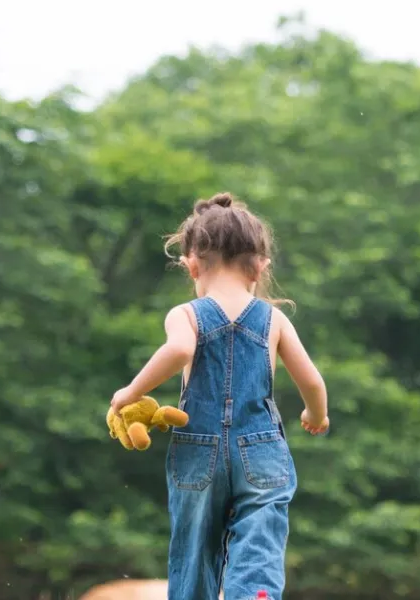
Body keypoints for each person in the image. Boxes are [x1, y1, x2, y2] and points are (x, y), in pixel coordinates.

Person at [109, 192, 329, 600]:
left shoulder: (186, 314)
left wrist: (130, 392)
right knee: (260, 537)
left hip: (199, 448)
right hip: (261, 448)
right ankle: (256, 595)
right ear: (260, 266)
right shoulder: (274, 319)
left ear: (192, 263)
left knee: (195, 547)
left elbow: (178, 351)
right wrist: (316, 415)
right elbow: (312, 381)